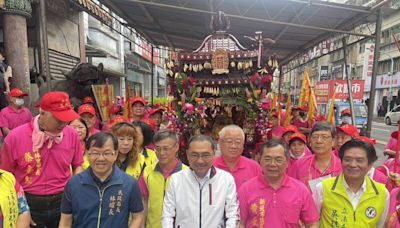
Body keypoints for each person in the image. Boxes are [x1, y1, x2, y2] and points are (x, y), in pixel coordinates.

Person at [0, 91, 84, 228]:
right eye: (59, 119)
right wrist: (22, 209)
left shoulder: (71, 135)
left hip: (63, 200)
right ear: (43, 112)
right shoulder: (15, 137)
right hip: (29, 201)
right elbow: (5, 178)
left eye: (66, 119)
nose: (63, 124)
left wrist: (76, 193)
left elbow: (78, 165)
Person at [59, 132, 144, 227]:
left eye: (106, 153)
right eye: (95, 153)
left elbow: (138, 216)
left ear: (115, 154)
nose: (101, 158)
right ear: (88, 154)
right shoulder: (74, 183)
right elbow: (66, 219)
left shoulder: (129, 183)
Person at [162, 135, 239, 227]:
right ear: (187, 154)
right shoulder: (176, 180)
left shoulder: (226, 179)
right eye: (195, 155)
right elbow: (168, 215)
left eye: (205, 155)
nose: (200, 161)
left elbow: (232, 215)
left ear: (214, 154)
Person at [238, 140, 319, 227]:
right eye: (267, 159)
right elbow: (240, 223)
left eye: (278, 159)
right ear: (260, 160)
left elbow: (313, 223)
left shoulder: (300, 190)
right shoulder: (246, 189)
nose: (272, 164)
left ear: (287, 162)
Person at [313, 139, 389, 227]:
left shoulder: (382, 193)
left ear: (370, 165)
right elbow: (313, 222)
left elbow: (380, 225)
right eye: (347, 159)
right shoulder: (323, 188)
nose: (352, 164)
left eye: (359, 160)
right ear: (341, 161)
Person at [139, 129, 187, 228]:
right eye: (158, 148)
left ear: (176, 147)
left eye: (166, 148)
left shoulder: (187, 174)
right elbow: (143, 201)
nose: (161, 153)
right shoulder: (147, 172)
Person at [288, 122, 342, 193]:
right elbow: (290, 191)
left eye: (324, 137)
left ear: (333, 141)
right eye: (315, 137)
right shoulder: (299, 165)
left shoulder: (342, 167)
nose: (319, 141)